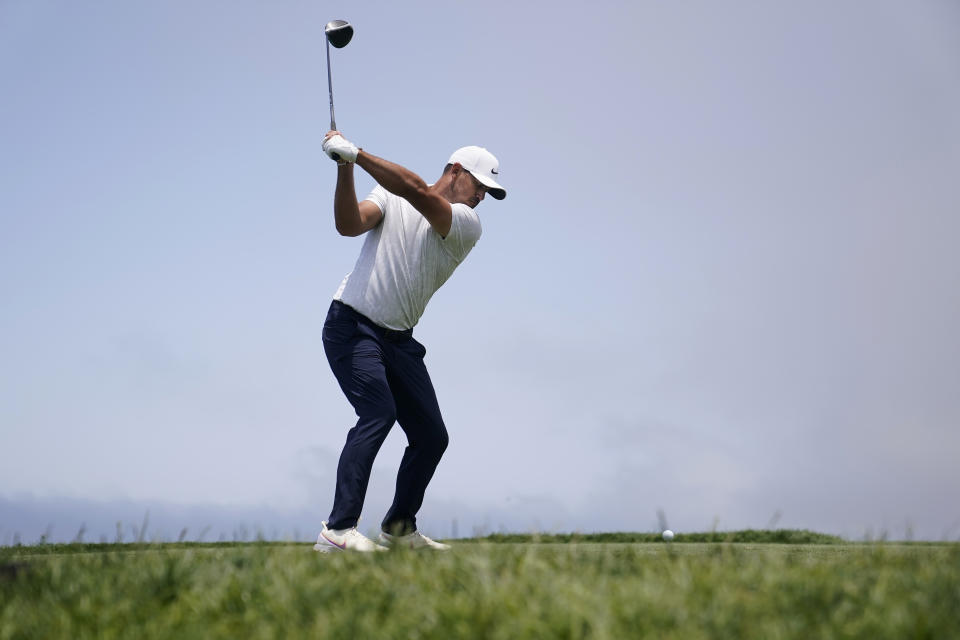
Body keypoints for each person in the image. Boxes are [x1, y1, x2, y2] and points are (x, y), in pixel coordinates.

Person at [313, 131, 506, 552]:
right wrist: (345, 167)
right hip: (351, 326)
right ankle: (337, 531)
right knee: (378, 413)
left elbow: (417, 190)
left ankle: (398, 529)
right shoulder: (389, 193)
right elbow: (348, 225)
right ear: (456, 172)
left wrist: (357, 153)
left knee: (431, 435)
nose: (481, 199)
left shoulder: (466, 225)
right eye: (480, 187)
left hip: (398, 341)